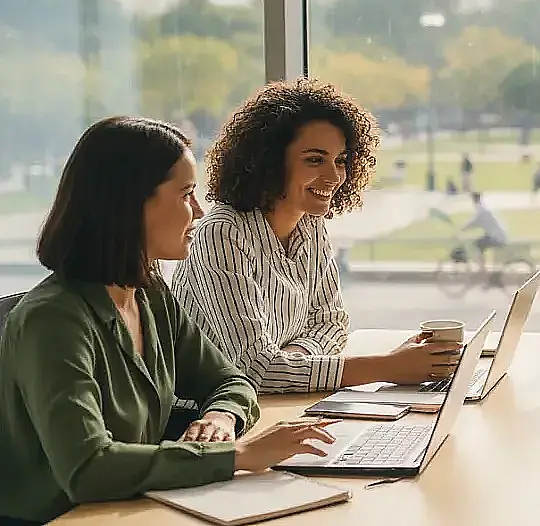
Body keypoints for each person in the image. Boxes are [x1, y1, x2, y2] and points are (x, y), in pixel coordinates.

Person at [0, 117, 336, 524]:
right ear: (129, 203)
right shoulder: (52, 321)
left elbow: (232, 381)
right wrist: (237, 455)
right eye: (186, 194)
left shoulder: (151, 295)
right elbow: (87, 468)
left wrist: (222, 417)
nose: (198, 211)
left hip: (130, 508)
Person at [172, 79, 461, 396]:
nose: (334, 175)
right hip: (212, 418)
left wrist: (292, 362)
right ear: (268, 161)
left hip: (278, 402)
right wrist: (390, 367)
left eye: (340, 160)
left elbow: (332, 322)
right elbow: (255, 371)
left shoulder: (310, 223)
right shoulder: (223, 232)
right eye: (314, 159)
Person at [461, 191, 509, 276]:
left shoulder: (481, 211)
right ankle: (484, 268)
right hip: (497, 236)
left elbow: (473, 222)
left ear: (473, 201)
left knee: (475, 245)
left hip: (497, 238)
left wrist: (461, 229)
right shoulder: (484, 208)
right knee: (480, 245)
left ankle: (483, 270)